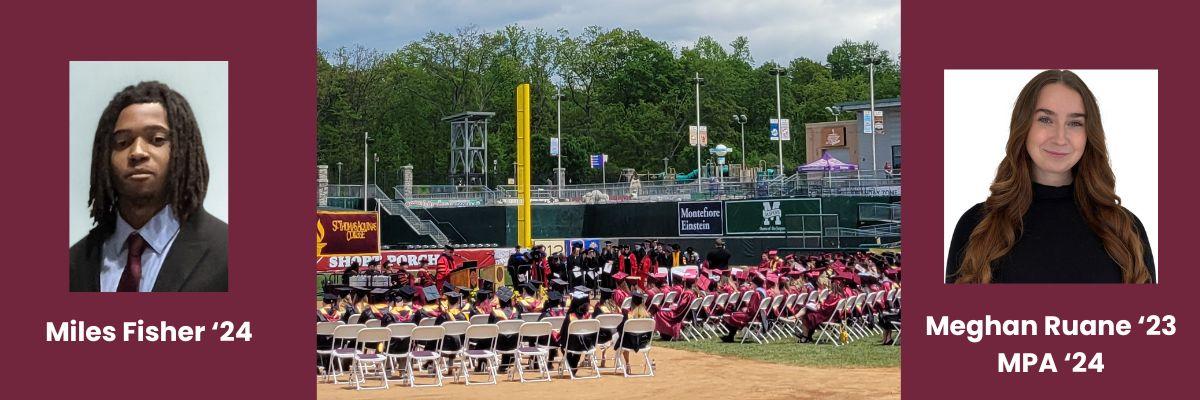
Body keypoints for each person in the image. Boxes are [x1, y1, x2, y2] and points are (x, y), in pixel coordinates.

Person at [946, 69, 1155, 284]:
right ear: (1024, 126)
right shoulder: (977, 227)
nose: (1060, 138)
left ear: (1088, 135)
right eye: (1045, 119)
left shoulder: (1125, 231)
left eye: (1075, 123)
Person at [70, 81, 227, 292]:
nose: (137, 152)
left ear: (184, 148)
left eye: (157, 139)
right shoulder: (74, 263)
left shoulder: (227, 253)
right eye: (122, 142)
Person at [720, 273, 766, 342]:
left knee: (732, 315)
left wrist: (746, 309)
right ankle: (730, 336)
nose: (751, 285)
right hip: (760, 316)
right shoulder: (763, 291)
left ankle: (730, 336)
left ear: (755, 284)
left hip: (753, 316)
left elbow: (752, 309)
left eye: (752, 284)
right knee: (736, 313)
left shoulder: (756, 293)